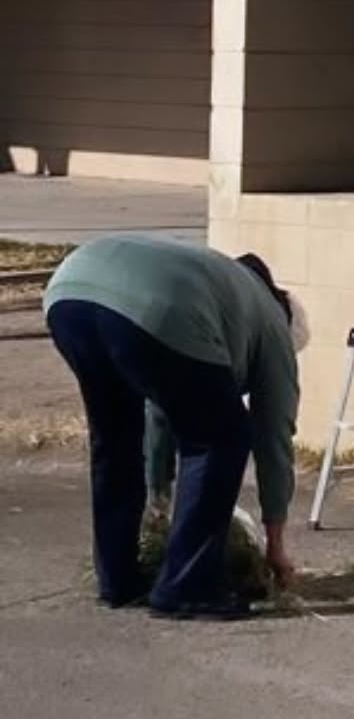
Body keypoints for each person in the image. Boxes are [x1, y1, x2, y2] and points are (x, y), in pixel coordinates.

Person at [43, 233, 306, 619]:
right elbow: (273, 438)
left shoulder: (223, 293)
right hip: (152, 306)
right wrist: (276, 546)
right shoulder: (274, 329)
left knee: (114, 440)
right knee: (224, 438)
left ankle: (117, 579)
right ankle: (188, 587)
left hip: (69, 291)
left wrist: (158, 497)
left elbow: (163, 408)